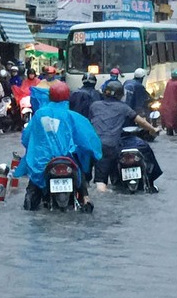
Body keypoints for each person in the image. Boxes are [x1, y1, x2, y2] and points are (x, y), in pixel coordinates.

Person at [15, 82, 101, 211]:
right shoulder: (72, 116)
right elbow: (87, 138)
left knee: (32, 189)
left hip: (42, 162)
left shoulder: (39, 114)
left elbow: (27, 136)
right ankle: (85, 197)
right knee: (79, 171)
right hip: (66, 158)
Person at [89, 80, 162, 192]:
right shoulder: (123, 107)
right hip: (111, 145)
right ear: (121, 95)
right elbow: (141, 121)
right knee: (101, 186)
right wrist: (153, 129)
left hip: (96, 145)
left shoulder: (94, 106)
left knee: (100, 180)